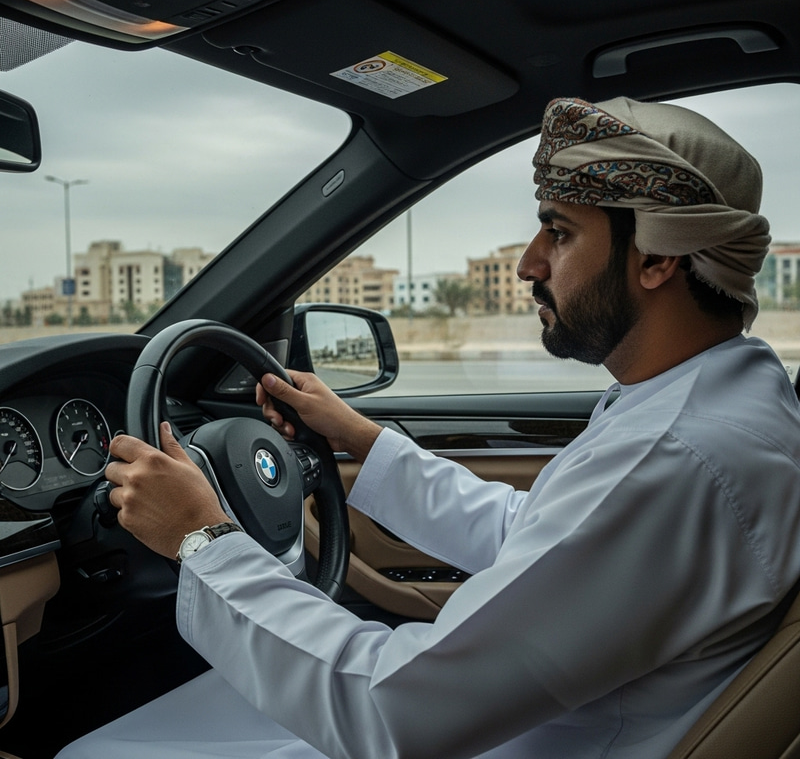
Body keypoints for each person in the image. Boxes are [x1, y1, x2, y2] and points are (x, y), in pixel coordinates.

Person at [57, 97, 800, 759]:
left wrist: (201, 538)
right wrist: (363, 439)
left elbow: (390, 713)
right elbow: (541, 537)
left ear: (660, 258)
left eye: (561, 233)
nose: (529, 264)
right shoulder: (717, 403)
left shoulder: (675, 458)